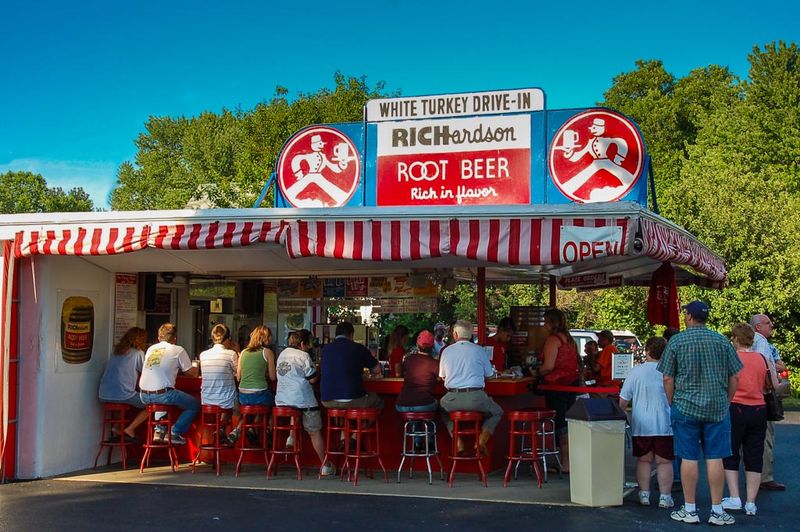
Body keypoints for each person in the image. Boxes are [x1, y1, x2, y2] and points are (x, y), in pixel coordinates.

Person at [657, 301, 743, 526]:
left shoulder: (676, 341)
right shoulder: (721, 341)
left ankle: (690, 508)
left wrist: (672, 401)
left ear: (689, 316)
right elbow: (735, 376)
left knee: (688, 456)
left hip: (685, 406)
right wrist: (727, 401)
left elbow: (667, 377)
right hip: (716, 407)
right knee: (715, 457)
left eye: (685, 313)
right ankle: (716, 510)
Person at [722, 323, 781, 516]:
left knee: (731, 453)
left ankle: (734, 497)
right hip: (759, 409)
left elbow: (725, 383)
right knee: (754, 455)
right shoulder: (762, 359)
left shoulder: (732, 359)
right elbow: (772, 383)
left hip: (736, 407)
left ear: (736, 339)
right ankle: (751, 502)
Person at [619, 336, 674, 508]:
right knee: (664, 461)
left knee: (644, 460)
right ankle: (665, 497)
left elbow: (623, 401)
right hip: (664, 422)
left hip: (641, 423)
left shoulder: (636, 372)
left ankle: (644, 494)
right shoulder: (669, 371)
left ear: (647, 351)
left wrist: (624, 417)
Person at [439, 320, 503, 457]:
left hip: (452, 399)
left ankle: (458, 443)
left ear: (455, 334)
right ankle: (480, 442)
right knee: (497, 412)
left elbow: (442, 377)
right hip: (476, 398)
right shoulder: (479, 350)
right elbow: (490, 375)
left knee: (441, 411)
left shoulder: (446, 351)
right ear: (470, 335)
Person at [276, 329, 335, 476]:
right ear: (302, 343)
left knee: (293, 407)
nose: (309, 347)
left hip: (282, 401)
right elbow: (313, 379)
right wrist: (320, 368)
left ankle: (292, 434)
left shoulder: (281, 355)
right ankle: (325, 465)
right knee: (314, 432)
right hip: (303, 400)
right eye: (308, 344)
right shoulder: (303, 356)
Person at [529, 308, 580, 473]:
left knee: (560, 424)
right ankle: (570, 461)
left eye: (546, 322)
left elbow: (548, 367)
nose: (544, 325)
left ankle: (566, 464)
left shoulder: (553, 339)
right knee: (567, 422)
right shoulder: (569, 339)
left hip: (556, 386)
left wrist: (535, 372)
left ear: (552, 323)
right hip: (571, 385)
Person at [138, 323, 199, 445]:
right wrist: (196, 364)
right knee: (194, 405)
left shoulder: (151, 349)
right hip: (162, 394)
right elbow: (192, 374)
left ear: (159, 337)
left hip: (143, 395)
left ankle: (159, 430)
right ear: (174, 339)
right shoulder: (178, 350)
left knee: (164, 393)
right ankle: (175, 432)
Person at [749, 313, 786, 492]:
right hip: (762, 396)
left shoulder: (747, 342)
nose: (771, 325)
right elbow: (765, 367)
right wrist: (773, 386)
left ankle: (753, 474)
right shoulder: (762, 342)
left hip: (745, 397)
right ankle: (764, 477)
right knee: (765, 437)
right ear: (758, 327)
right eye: (768, 323)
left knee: (747, 439)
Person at [98, 326, 149, 442]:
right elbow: (146, 373)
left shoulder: (116, 352)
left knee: (120, 398)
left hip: (103, 394)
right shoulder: (138, 353)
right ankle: (130, 429)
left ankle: (117, 427)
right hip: (123, 394)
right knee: (151, 404)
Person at [320, 321, 384, 411]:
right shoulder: (358, 348)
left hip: (327, 399)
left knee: (339, 408)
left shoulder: (325, 349)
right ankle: (363, 425)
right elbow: (377, 369)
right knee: (379, 402)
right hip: (352, 398)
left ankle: (340, 424)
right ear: (351, 335)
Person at [230, 325, 277, 444]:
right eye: (269, 337)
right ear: (265, 338)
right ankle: (268, 429)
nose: (271, 339)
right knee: (276, 402)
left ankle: (240, 429)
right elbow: (273, 377)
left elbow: (238, 377)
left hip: (243, 396)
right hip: (260, 394)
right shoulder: (268, 352)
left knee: (252, 407)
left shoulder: (243, 352)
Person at [396, 330, 440, 450]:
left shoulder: (408, 360)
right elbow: (441, 378)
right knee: (435, 405)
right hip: (424, 405)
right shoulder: (435, 363)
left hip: (402, 405)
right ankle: (430, 440)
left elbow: (399, 372)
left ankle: (417, 442)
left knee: (416, 411)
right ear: (432, 347)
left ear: (417, 344)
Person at [198, 324, 238, 440]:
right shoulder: (231, 354)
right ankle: (228, 430)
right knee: (242, 406)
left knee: (227, 398)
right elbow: (238, 375)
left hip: (206, 401)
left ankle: (219, 428)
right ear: (228, 339)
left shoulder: (203, 355)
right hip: (226, 402)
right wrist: (238, 352)